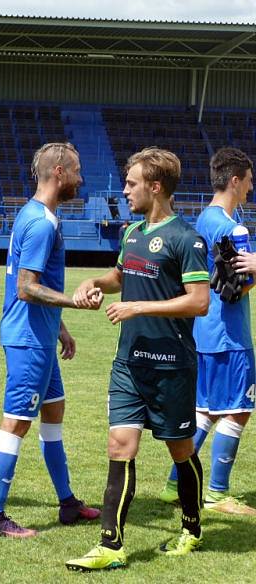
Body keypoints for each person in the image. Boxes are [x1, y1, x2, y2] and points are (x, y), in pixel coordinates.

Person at [66, 147, 209, 571]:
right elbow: (119, 277)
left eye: (131, 183)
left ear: (155, 186)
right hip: (130, 363)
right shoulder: (131, 233)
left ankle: (192, 527)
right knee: (120, 445)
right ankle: (111, 547)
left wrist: (138, 308)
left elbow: (199, 301)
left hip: (172, 367)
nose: (125, 189)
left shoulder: (187, 238)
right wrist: (93, 281)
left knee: (180, 450)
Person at [0, 142, 101, 538]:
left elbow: (38, 284)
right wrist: (75, 302)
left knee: (54, 413)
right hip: (28, 339)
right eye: (78, 170)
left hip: (42, 336)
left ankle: (67, 503)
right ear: (60, 172)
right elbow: (26, 288)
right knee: (16, 422)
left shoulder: (36, 215)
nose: (82, 179)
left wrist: (61, 325)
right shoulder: (43, 222)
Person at [158, 148, 256, 515]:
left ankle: (174, 483)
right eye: (248, 181)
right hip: (230, 336)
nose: (249, 188)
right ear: (235, 180)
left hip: (201, 332)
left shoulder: (202, 220)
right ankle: (216, 492)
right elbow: (235, 289)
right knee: (238, 410)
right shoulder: (234, 229)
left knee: (205, 411)